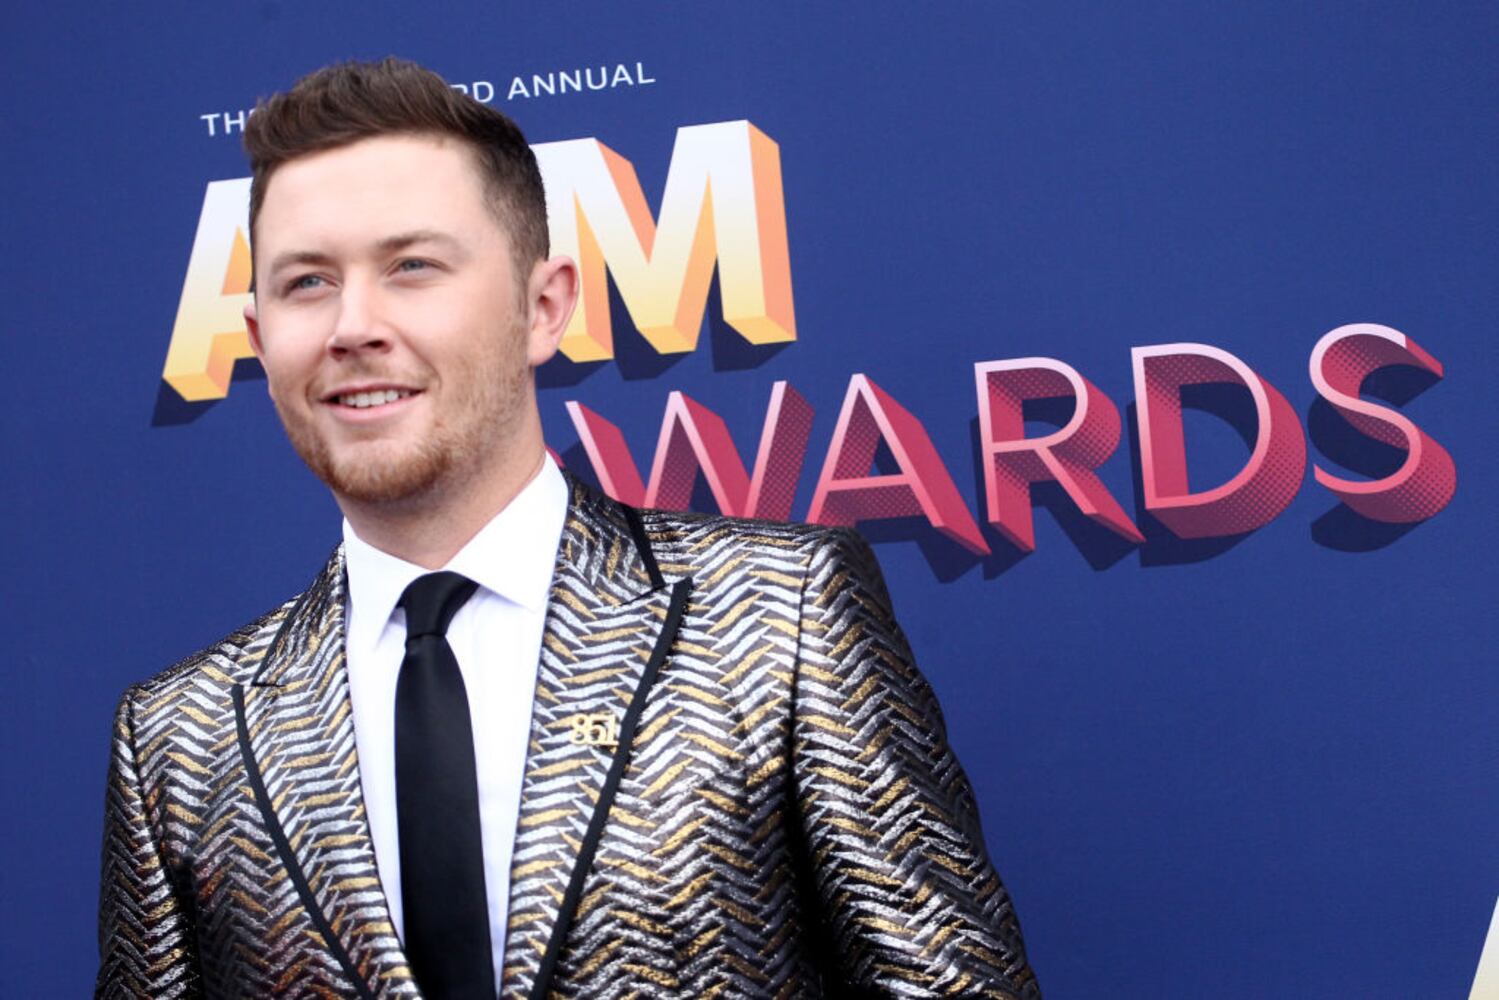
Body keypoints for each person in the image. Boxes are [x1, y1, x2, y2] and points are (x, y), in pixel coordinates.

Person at [96, 57, 1040, 1000]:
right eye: (307, 282)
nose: (353, 326)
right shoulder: (179, 737)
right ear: (260, 340)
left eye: (411, 267)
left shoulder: (779, 616)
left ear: (542, 307)